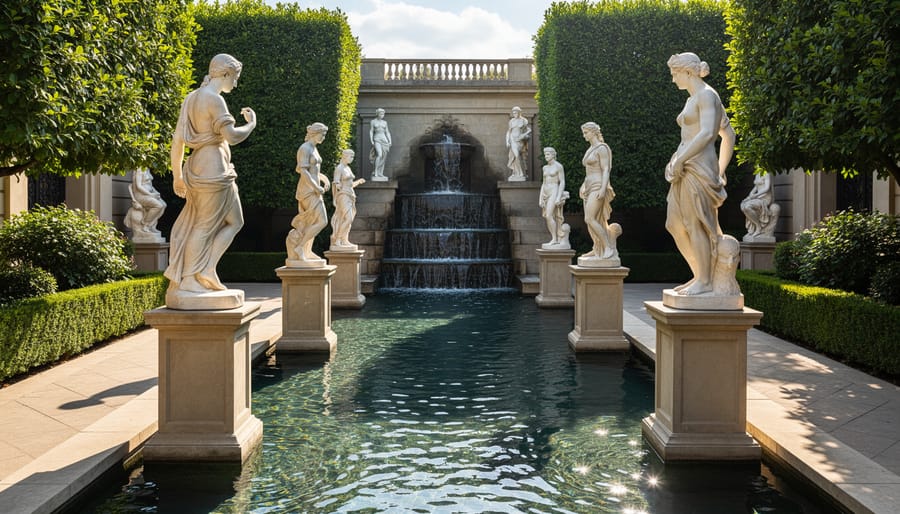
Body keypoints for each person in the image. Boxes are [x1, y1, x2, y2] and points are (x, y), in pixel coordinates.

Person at [165, 53, 256, 294]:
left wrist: (177, 174)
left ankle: (205, 270)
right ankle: (188, 279)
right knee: (204, 225)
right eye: (235, 78)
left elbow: (177, 142)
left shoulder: (192, 98)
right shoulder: (214, 100)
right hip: (212, 169)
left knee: (235, 221)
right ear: (225, 74)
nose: (235, 84)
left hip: (202, 166)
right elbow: (233, 137)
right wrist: (251, 124)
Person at [664, 52, 736, 296]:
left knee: (696, 224)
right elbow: (728, 133)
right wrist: (676, 159)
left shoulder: (707, 96)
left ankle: (705, 281)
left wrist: (719, 170)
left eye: (675, 74)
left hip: (697, 168)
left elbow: (709, 134)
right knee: (674, 224)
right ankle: (700, 276)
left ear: (688, 71)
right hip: (683, 169)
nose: (673, 80)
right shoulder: (693, 98)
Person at [286, 122, 331, 264]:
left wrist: (323, 178)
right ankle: (299, 248)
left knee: (312, 222)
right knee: (322, 221)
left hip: (314, 189)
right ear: (314, 133)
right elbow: (303, 170)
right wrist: (316, 187)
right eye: (322, 134)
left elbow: (314, 170)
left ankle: (306, 250)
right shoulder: (304, 148)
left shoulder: (313, 148)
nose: (323, 137)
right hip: (307, 190)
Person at [580, 122, 619, 260]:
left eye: (586, 132)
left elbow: (606, 169)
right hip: (589, 186)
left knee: (589, 218)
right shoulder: (590, 149)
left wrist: (603, 188)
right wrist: (583, 186)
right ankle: (597, 248)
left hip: (597, 185)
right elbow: (587, 171)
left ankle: (607, 247)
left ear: (593, 132)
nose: (584, 135)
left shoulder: (602, 148)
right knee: (593, 219)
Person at [330, 149, 366, 250]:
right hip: (343, 195)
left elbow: (351, 185)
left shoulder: (347, 168)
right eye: (351, 156)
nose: (352, 158)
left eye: (353, 157)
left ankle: (344, 240)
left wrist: (358, 182)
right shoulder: (339, 168)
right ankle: (337, 240)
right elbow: (336, 182)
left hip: (350, 194)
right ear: (345, 156)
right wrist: (337, 185)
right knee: (347, 218)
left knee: (349, 219)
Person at [539, 147, 569, 248]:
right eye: (545, 154)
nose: (546, 156)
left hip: (554, 190)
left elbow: (562, 182)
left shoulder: (558, 166)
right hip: (546, 192)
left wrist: (558, 196)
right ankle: (554, 238)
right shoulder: (545, 168)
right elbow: (543, 183)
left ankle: (555, 239)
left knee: (549, 215)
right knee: (547, 217)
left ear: (553, 155)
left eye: (547, 154)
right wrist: (540, 197)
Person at [125, 168, 166, 242]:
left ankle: (151, 225)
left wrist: (156, 193)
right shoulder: (139, 169)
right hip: (141, 196)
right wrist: (150, 194)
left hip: (149, 194)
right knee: (158, 206)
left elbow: (150, 185)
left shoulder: (147, 169)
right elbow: (138, 186)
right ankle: (145, 224)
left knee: (163, 205)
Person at [741, 172, 779, 240]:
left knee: (747, 207)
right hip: (757, 198)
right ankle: (754, 228)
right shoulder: (757, 173)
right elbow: (756, 187)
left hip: (765, 199)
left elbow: (767, 188)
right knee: (743, 205)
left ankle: (758, 227)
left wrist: (756, 195)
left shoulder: (766, 173)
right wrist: (750, 195)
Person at [506, 106, 531, 181]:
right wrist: (507, 141)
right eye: (513, 113)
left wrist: (524, 137)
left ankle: (520, 173)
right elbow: (509, 132)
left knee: (520, 157)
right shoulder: (511, 121)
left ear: (519, 112)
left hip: (520, 141)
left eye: (516, 112)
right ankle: (518, 173)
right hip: (513, 140)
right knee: (516, 156)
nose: (514, 114)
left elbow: (528, 131)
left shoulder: (524, 121)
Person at [369, 108, 391, 181]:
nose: (382, 115)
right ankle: (375, 171)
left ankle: (380, 173)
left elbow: (387, 132)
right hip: (377, 138)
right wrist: (371, 140)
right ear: (377, 114)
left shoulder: (385, 122)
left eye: (383, 114)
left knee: (384, 157)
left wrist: (389, 141)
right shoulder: (373, 121)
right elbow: (371, 131)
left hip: (384, 139)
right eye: (381, 114)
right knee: (379, 154)